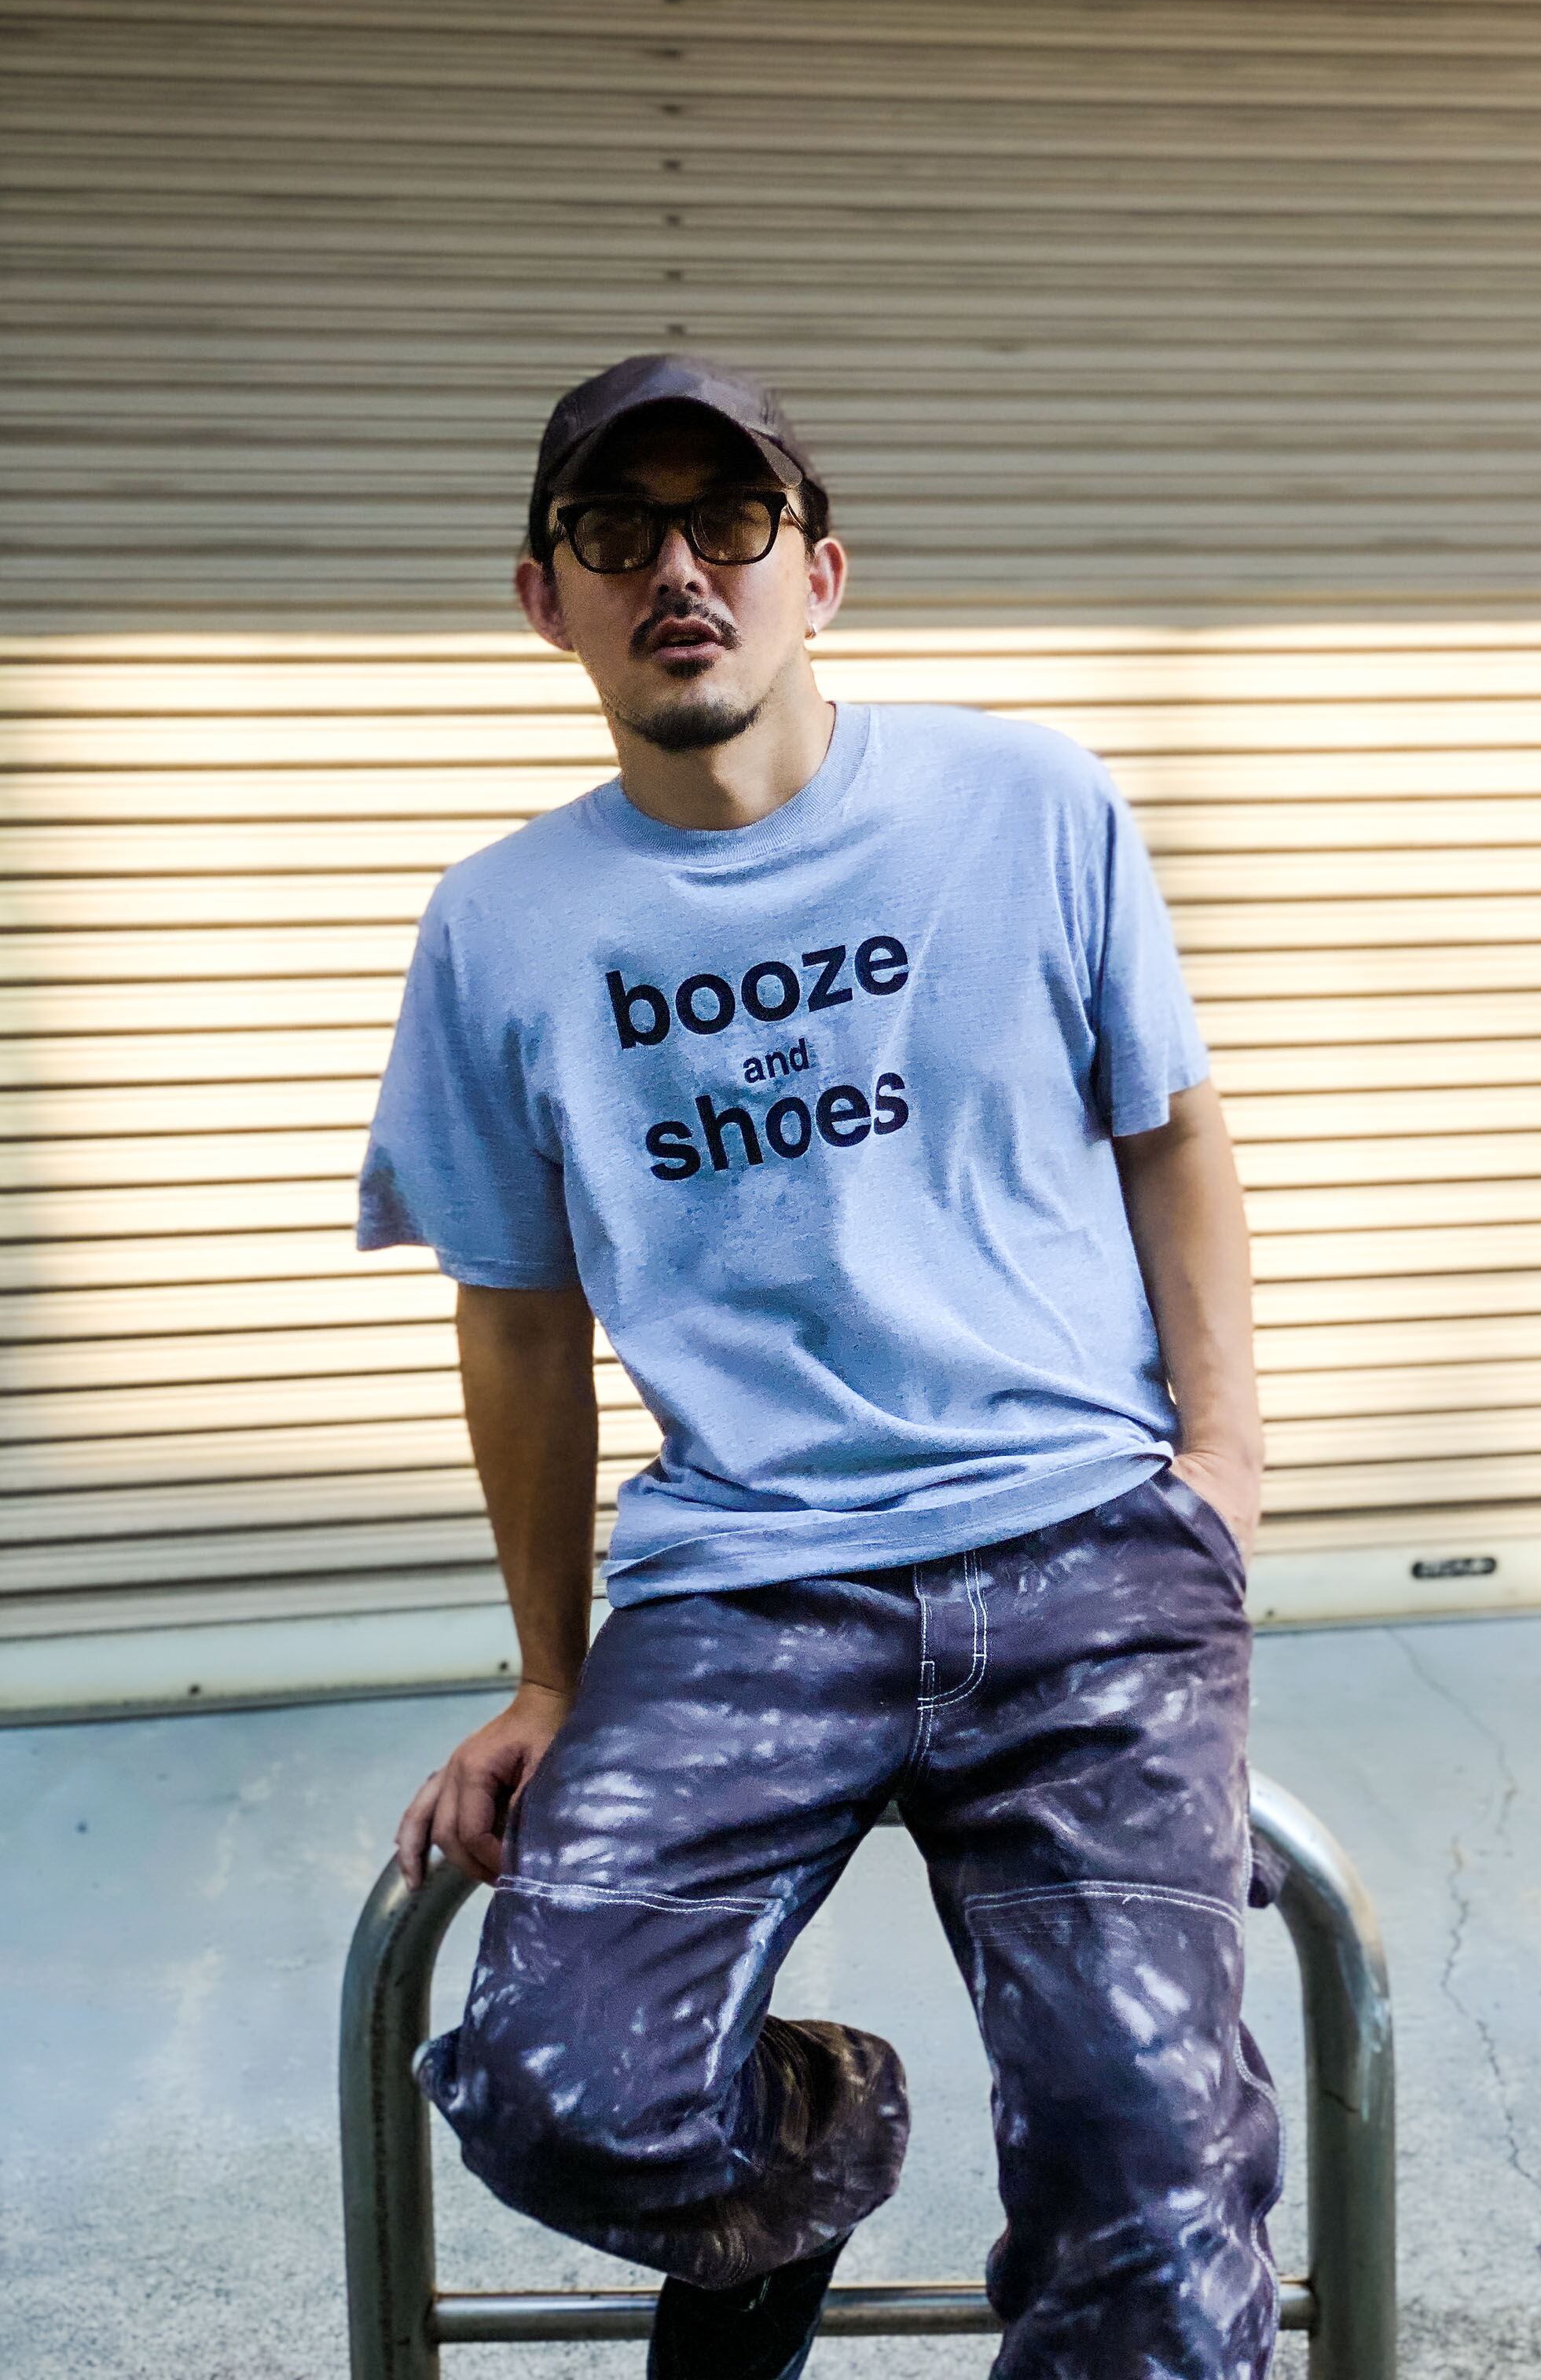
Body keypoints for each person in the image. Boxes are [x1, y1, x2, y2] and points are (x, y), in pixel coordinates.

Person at [358, 352, 1281, 2380]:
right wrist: (549, 1673)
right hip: (747, 1582)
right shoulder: (503, 927)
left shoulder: (1029, 803)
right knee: (559, 2088)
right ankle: (803, 2158)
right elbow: (518, 1318)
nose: (679, 570)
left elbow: (1171, 1129)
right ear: (547, 600)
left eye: (730, 522)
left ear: (821, 572)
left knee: (1148, 2184)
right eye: (619, 533)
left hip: (1087, 1550)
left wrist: (1221, 1467)